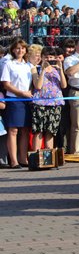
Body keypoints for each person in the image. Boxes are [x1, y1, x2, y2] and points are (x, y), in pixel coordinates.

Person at [1, 38, 33, 168]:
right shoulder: (9, 64)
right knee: (13, 130)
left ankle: (23, 158)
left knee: (25, 130)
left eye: (23, 48)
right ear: (13, 50)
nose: (20, 50)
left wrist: (29, 92)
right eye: (18, 48)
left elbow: (33, 83)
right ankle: (14, 161)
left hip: (27, 100)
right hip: (14, 100)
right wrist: (21, 93)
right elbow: (6, 84)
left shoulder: (29, 65)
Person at [31, 46, 67, 153]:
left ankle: (49, 157)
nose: (49, 59)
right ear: (42, 57)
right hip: (40, 103)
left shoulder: (56, 69)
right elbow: (38, 86)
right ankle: (36, 157)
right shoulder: (35, 69)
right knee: (38, 131)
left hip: (55, 103)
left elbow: (64, 85)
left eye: (51, 57)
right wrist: (43, 70)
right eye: (46, 57)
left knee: (51, 131)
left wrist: (60, 70)